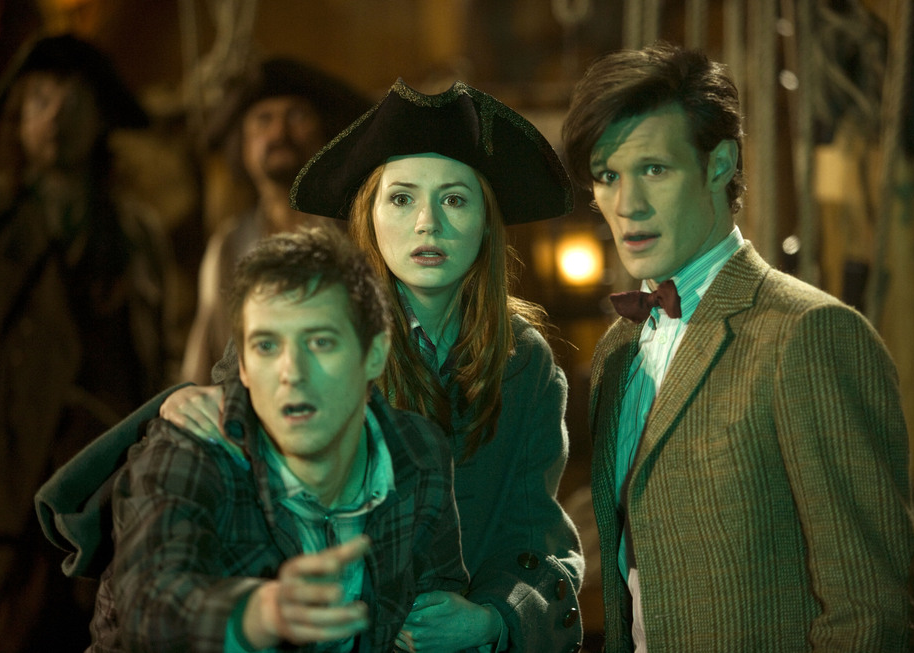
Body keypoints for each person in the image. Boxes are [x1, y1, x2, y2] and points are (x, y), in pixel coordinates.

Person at [37, 78, 585, 653]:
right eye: (402, 198)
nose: (428, 222)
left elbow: (532, 537)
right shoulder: (299, 326)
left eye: (454, 199)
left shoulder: (524, 361)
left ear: (487, 219)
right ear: (369, 214)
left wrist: (494, 621)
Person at [560, 42, 914, 651]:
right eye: (608, 176)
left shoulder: (808, 335)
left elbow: (869, 612)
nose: (627, 205)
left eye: (654, 169)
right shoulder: (620, 346)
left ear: (719, 164)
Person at [89, 225, 468, 651]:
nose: (291, 372)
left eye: (320, 342)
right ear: (243, 367)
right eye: (267, 346)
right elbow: (148, 605)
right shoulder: (191, 447)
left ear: (374, 353)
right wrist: (258, 613)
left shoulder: (417, 451)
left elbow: (440, 604)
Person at [0, 33, 171, 653]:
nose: (55, 118)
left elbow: (156, 357)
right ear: (19, 119)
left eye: (73, 103)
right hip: (7, 489)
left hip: (102, 486)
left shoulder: (134, 235)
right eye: (39, 100)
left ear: (100, 121)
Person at [180, 57, 371, 384]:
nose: (279, 132)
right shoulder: (228, 246)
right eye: (263, 119)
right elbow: (200, 369)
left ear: (324, 134)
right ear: (242, 145)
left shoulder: (360, 233)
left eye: (297, 116)